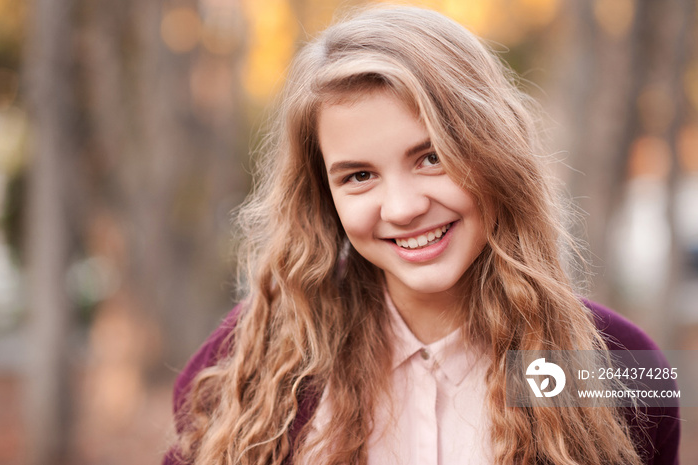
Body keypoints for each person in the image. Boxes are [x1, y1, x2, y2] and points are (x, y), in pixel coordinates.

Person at [163, 6, 680, 465]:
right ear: (325, 195)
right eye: (358, 176)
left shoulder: (618, 369)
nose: (405, 208)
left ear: (494, 155)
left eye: (431, 157)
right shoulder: (251, 362)